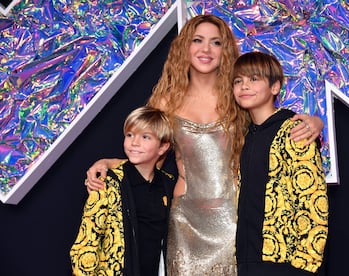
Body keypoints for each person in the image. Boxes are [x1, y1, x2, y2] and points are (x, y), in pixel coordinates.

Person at [84, 15, 324, 275]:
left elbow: (271, 127)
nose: (206, 50)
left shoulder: (239, 96)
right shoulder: (165, 102)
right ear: (184, 46)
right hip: (185, 222)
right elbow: (149, 156)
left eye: (216, 42)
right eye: (197, 40)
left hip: (236, 220)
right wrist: (109, 163)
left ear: (226, 50)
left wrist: (315, 122)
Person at [232, 51, 328, 275]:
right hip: (249, 258)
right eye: (238, 81)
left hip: (286, 262)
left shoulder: (295, 130)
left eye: (253, 79)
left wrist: (305, 262)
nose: (244, 86)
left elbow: (313, 200)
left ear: (275, 87)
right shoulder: (246, 136)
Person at [70, 106, 175, 275]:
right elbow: (86, 244)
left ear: (162, 147)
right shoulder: (107, 183)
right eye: (130, 135)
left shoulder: (167, 184)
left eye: (145, 137)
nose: (134, 142)